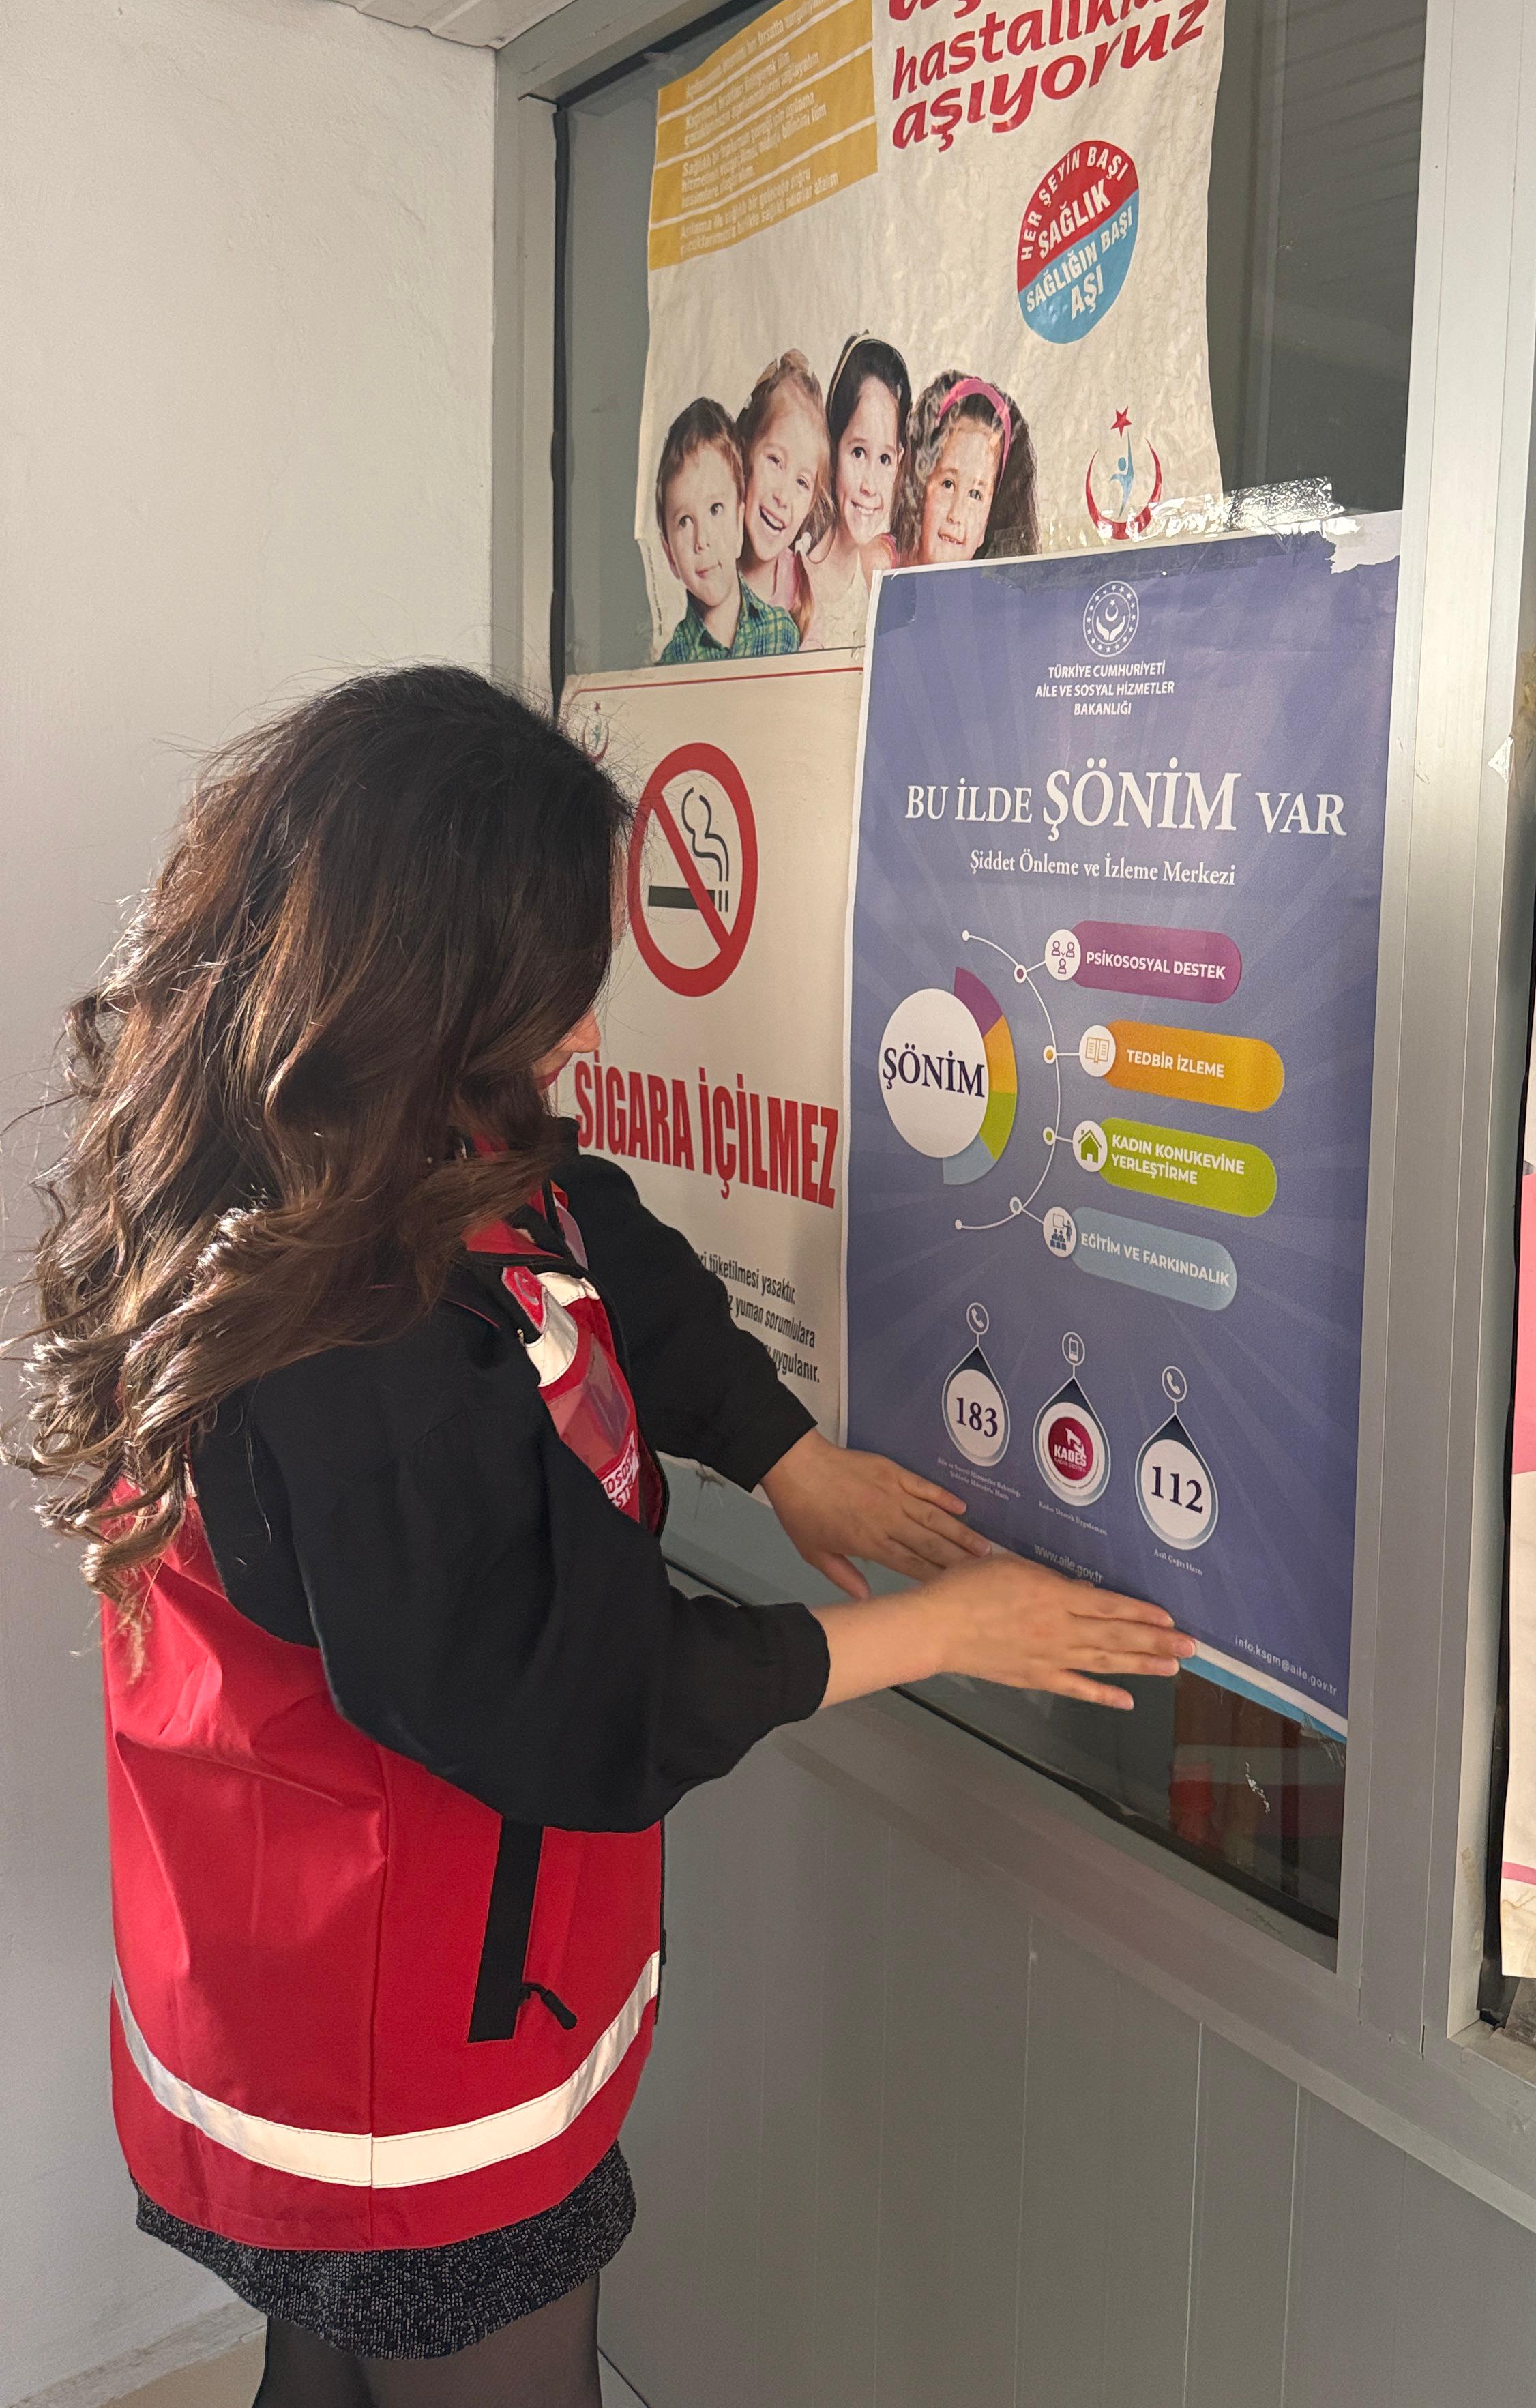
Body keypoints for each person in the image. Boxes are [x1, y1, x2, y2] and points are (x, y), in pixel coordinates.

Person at [15, 668, 1191, 2403]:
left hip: (307, 1972)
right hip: (389, 2040)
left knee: (328, 2375)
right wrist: (947, 1633)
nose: (589, 1026)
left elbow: (597, 1247)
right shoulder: (348, 1339)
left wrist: (781, 1454)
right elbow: (570, 1693)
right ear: (440, 983)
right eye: (563, 980)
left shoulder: (358, 1149)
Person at [651, 399, 799, 662]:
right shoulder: (670, 665)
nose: (702, 540)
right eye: (685, 521)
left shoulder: (781, 634)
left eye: (715, 509)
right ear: (670, 554)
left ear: (738, 524)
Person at [805, 334, 911, 649]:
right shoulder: (796, 583)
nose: (869, 485)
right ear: (833, 447)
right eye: (858, 452)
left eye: (885, 459)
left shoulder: (884, 577)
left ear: (900, 461)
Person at [735, 350, 833, 642]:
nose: (783, 497)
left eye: (802, 482)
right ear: (746, 454)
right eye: (775, 461)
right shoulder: (709, 564)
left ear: (811, 505)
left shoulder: (803, 595)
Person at [893, 371, 1039, 564]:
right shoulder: (883, 560)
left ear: (986, 524)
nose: (956, 515)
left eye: (975, 494)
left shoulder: (995, 583)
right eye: (948, 484)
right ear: (919, 487)